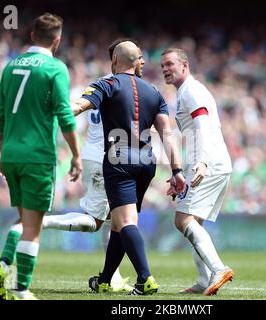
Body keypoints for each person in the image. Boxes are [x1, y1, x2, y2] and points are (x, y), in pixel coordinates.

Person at [71, 41, 185, 295]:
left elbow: (79, 106)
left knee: (125, 221)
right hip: (146, 163)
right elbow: (168, 133)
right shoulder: (154, 92)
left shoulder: (107, 84)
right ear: (137, 62)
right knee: (118, 223)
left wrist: (54, 114)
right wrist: (177, 171)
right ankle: (105, 279)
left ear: (114, 62)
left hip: (118, 160)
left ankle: (144, 278)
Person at [0, 13, 82, 300]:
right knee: (33, 226)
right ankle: (21, 288)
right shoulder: (55, 68)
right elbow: (64, 115)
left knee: (24, 221)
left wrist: (5, 151)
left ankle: (4, 265)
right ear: (57, 41)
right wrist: (76, 155)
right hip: (37, 155)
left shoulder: (10, 66)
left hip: (11, 153)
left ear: (31, 35)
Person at [41, 39, 144, 293]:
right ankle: (42, 222)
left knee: (114, 220)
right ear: (121, 59)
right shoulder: (121, 87)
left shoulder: (101, 84)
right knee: (96, 220)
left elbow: (82, 116)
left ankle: (113, 277)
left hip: (96, 155)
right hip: (105, 159)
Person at [160, 48, 234, 296]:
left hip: (209, 163)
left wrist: (201, 162)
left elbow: (202, 126)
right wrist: (179, 173)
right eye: (163, 66)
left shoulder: (191, 91)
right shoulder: (187, 92)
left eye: (170, 64)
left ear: (184, 65)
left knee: (183, 220)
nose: (165, 69)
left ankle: (217, 269)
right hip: (213, 161)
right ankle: (204, 280)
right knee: (194, 222)